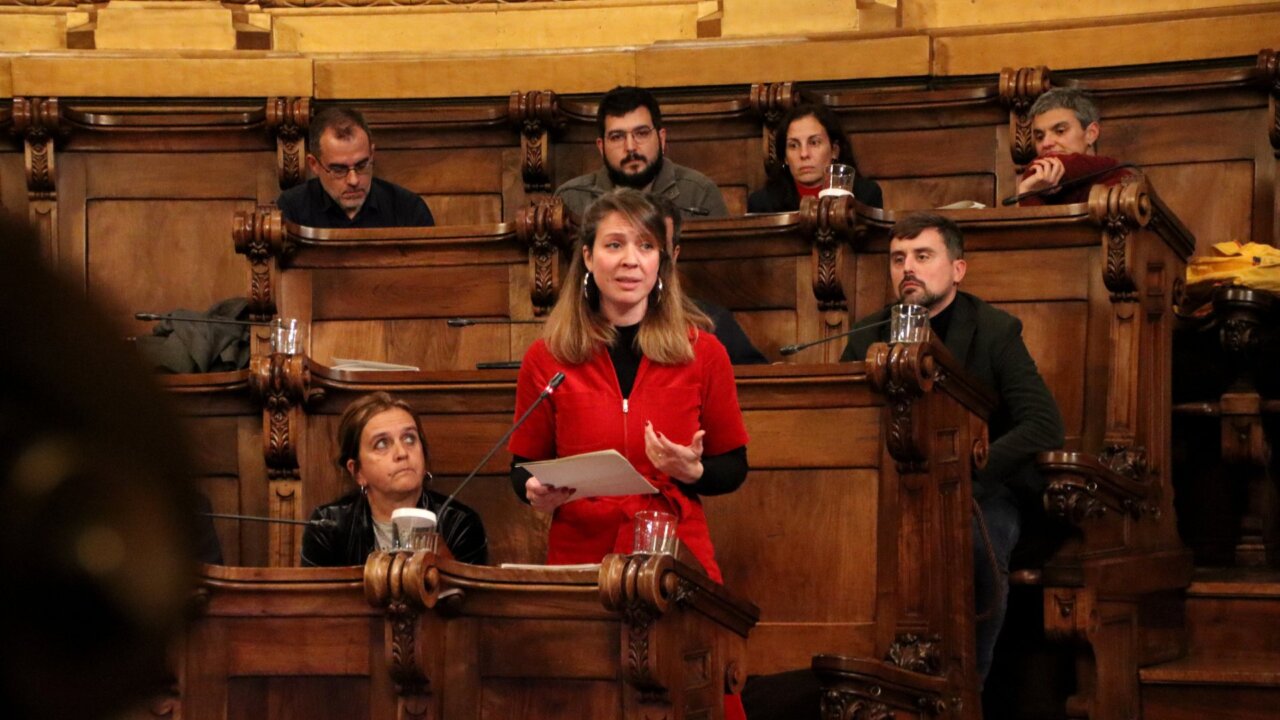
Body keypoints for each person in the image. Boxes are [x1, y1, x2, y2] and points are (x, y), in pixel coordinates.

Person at [839, 212, 1065, 685]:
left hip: (982, 489)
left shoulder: (994, 330)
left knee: (975, 549)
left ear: (957, 269)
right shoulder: (867, 334)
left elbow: (1043, 424)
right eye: (898, 258)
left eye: (923, 256)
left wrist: (970, 466)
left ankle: (966, 689)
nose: (908, 269)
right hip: (889, 487)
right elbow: (847, 418)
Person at [507, 189, 749, 584]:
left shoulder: (704, 352)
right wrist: (534, 489)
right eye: (614, 244)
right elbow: (521, 469)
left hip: (672, 551)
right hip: (581, 555)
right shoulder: (546, 356)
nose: (630, 261)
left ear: (661, 261)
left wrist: (693, 470)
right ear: (587, 256)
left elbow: (734, 468)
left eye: (646, 246)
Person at [301, 392, 487, 566]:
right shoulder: (328, 526)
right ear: (358, 471)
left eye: (409, 439)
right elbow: (315, 601)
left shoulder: (459, 524)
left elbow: (472, 600)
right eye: (382, 444)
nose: (402, 453)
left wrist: (441, 561)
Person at [555, 86, 729, 220]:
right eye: (617, 137)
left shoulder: (698, 194)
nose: (630, 147)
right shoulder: (571, 199)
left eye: (642, 133)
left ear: (661, 139)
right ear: (601, 147)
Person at [650, 193, 769, 364]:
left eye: (656, 247)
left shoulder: (712, 323)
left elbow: (756, 382)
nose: (639, 260)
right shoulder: (602, 326)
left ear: (674, 255)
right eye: (643, 245)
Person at [276, 106, 435, 228]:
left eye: (361, 165)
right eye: (339, 169)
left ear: (372, 154)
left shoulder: (408, 210)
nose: (353, 180)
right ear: (314, 164)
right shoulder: (292, 211)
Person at [748, 102, 882, 213]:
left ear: (834, 150)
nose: (804, 154)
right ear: (785, 157)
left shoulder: (865, 196)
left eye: (814, 142)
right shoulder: (763, 204)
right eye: (793, 146)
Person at [1015, 88, 1134, 206]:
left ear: (1091, 134)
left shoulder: (1119, 179)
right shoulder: (1035, 182)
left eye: (1060, 131)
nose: (1046, 143)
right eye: (1040, 137)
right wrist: (1028, 192)